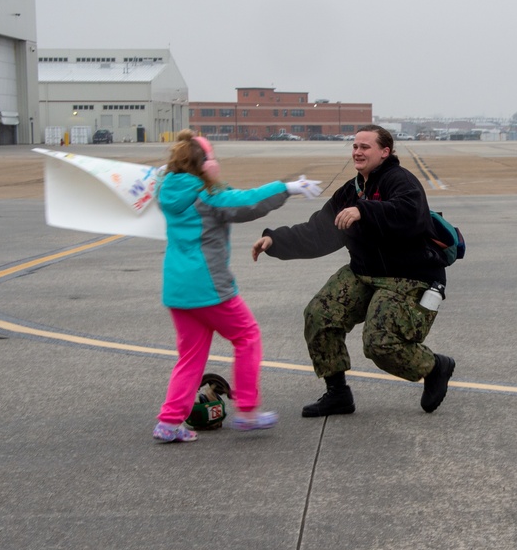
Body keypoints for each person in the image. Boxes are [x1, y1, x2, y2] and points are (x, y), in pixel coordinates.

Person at [251, 124, 456, 417]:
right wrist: (275, 240)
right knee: (320, 315)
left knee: (379, 344)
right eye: (355, 146)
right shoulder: (351, 190)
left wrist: (365, 211)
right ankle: (338, 394)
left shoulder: (401, 181)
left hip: (409, 276)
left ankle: (435, 367)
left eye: (365, 147)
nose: (358, 152)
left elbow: (410, 214)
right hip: (364, 271)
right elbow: (319, 232)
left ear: (385, 152)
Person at [152, 130, 322, 442]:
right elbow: (245, 203)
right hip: (208, 286)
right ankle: (247, 411)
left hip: (177, 289)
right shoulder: (206, 197)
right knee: (247, 337)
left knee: (190, 356)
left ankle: (169, 422)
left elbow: (208, 190)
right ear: (203, 164)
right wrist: (287, 188)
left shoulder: (166, 189)